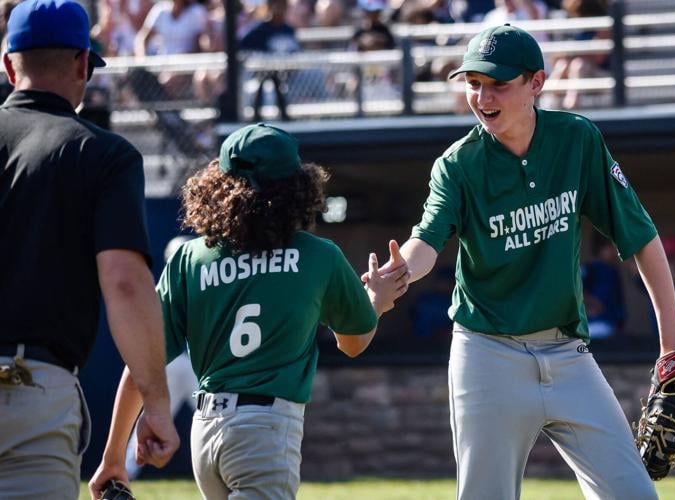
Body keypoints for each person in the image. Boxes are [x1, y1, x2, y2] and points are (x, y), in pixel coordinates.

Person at [366, 24, 675, 500]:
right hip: (487, 355)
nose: (483, 96)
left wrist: (673, 344)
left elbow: (640, 237)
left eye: (499, 83)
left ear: (536, 83)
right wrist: (397, 275)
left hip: (567, 353)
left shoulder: (576, 139)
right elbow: (426, 241)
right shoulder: (457, 165)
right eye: (474, 83)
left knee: (634, 494)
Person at [89, 123, 409, 499]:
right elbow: (353, 343)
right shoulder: (319, 255)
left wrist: (112, 456)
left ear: (217, 186)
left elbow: (143, 361)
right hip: (265, 430)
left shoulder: (189, 258)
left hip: (206, 431)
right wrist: (379, 301)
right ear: (299, 188)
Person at [0, 1, 179, 498]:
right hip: (32, 388)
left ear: (8, 65)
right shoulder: (104, 154)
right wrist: (156, 403)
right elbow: (124, 283)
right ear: (83, 64)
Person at [124, 236, 199, 480]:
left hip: (184, 363)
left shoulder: (176, 285)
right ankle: (124, 469)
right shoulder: (191, 283)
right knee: (215, 417)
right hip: (180, 362)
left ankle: (124, 469)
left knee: (153, 415)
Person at [581, 237, 625, 339]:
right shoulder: (591, 267)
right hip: (595, 325)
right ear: (601, 248)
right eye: (611, 248)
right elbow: (574, 289)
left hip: (612, 325)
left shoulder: (613, 270)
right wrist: (590, 302)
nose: (614, 252)